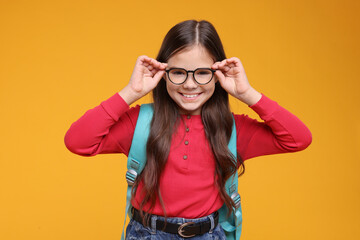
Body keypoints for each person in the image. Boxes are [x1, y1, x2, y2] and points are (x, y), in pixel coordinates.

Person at [64, 19, 312, 239]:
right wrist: (131, 93)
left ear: (218, 74)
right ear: (162, 72)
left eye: (202, 73)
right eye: (178, 73)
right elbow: (78, 141)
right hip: (146, 234)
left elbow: (298, 139)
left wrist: (247, 94)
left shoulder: (233, 128)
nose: (190, 84)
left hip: (209, 234)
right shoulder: (139, 123)